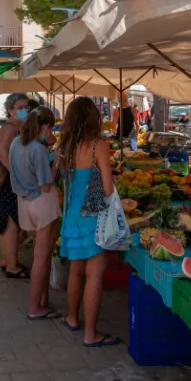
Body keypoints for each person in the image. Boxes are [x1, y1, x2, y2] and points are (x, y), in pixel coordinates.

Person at [56, 96, 119, 348]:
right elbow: (107, 188)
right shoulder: (98, 146)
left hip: (72, 215)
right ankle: (91, 333)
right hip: (93, 216)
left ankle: (72, 317)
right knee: (94, 275)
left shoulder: (65, 146)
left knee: (76, 270)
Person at [9, 106, 61, 320]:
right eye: (51, 127)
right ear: (45, 126)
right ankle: (35, 308)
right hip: (42, 202)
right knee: (41, 258)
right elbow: (46, 185)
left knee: (42, 255)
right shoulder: (37, 149)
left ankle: (42, 301)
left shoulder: (16, 142)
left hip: (24, 202)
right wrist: (56, 163)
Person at [0, 93, 30, 279]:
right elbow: (2, 152)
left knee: (8, 223)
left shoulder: (16, 126)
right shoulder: (10, 127)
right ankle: (12, 266)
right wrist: (16, 175)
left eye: (26, 106)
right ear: (10, 110)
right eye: (20, 107)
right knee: (12, 224)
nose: (25, 110)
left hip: (8, 180)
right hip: (8, 181)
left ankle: (6, 260)